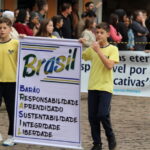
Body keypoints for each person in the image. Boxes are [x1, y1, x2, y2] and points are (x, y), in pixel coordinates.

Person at [82, 22, 119, 150]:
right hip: (93, 86)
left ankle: (110, 135)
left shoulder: (113, 49)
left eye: (102, 33)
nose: (99, 35)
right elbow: (82, 55)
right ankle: (97, 144)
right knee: (92, 117)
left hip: (105, 87)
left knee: (102, 114)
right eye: (97, 32)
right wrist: (80, 43)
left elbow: (109, 65)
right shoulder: (92, 48)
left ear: (108, 34)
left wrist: (99, 52)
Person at [0, 17, 19, 146]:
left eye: (4, 28)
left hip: (11, 81)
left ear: (10, 29)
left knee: (11, 110)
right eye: (0, 28)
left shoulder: (16, 43)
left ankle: (12, 136)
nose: (1, 30)